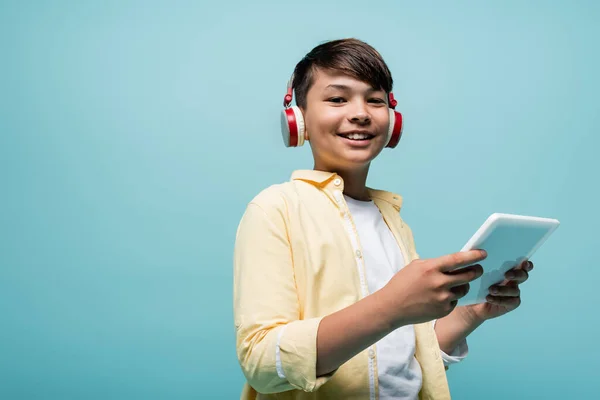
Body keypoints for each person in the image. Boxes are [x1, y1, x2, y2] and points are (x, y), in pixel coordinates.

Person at [232, 38, 533, 400]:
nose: (360, 112)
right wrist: (391, 306)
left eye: (375, 100)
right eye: (337, 98)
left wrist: (475, 313)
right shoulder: (275, 208)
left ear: (392, 123)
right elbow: (262, 363)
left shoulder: (392, 220)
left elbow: (398, 358)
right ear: (298, 119)